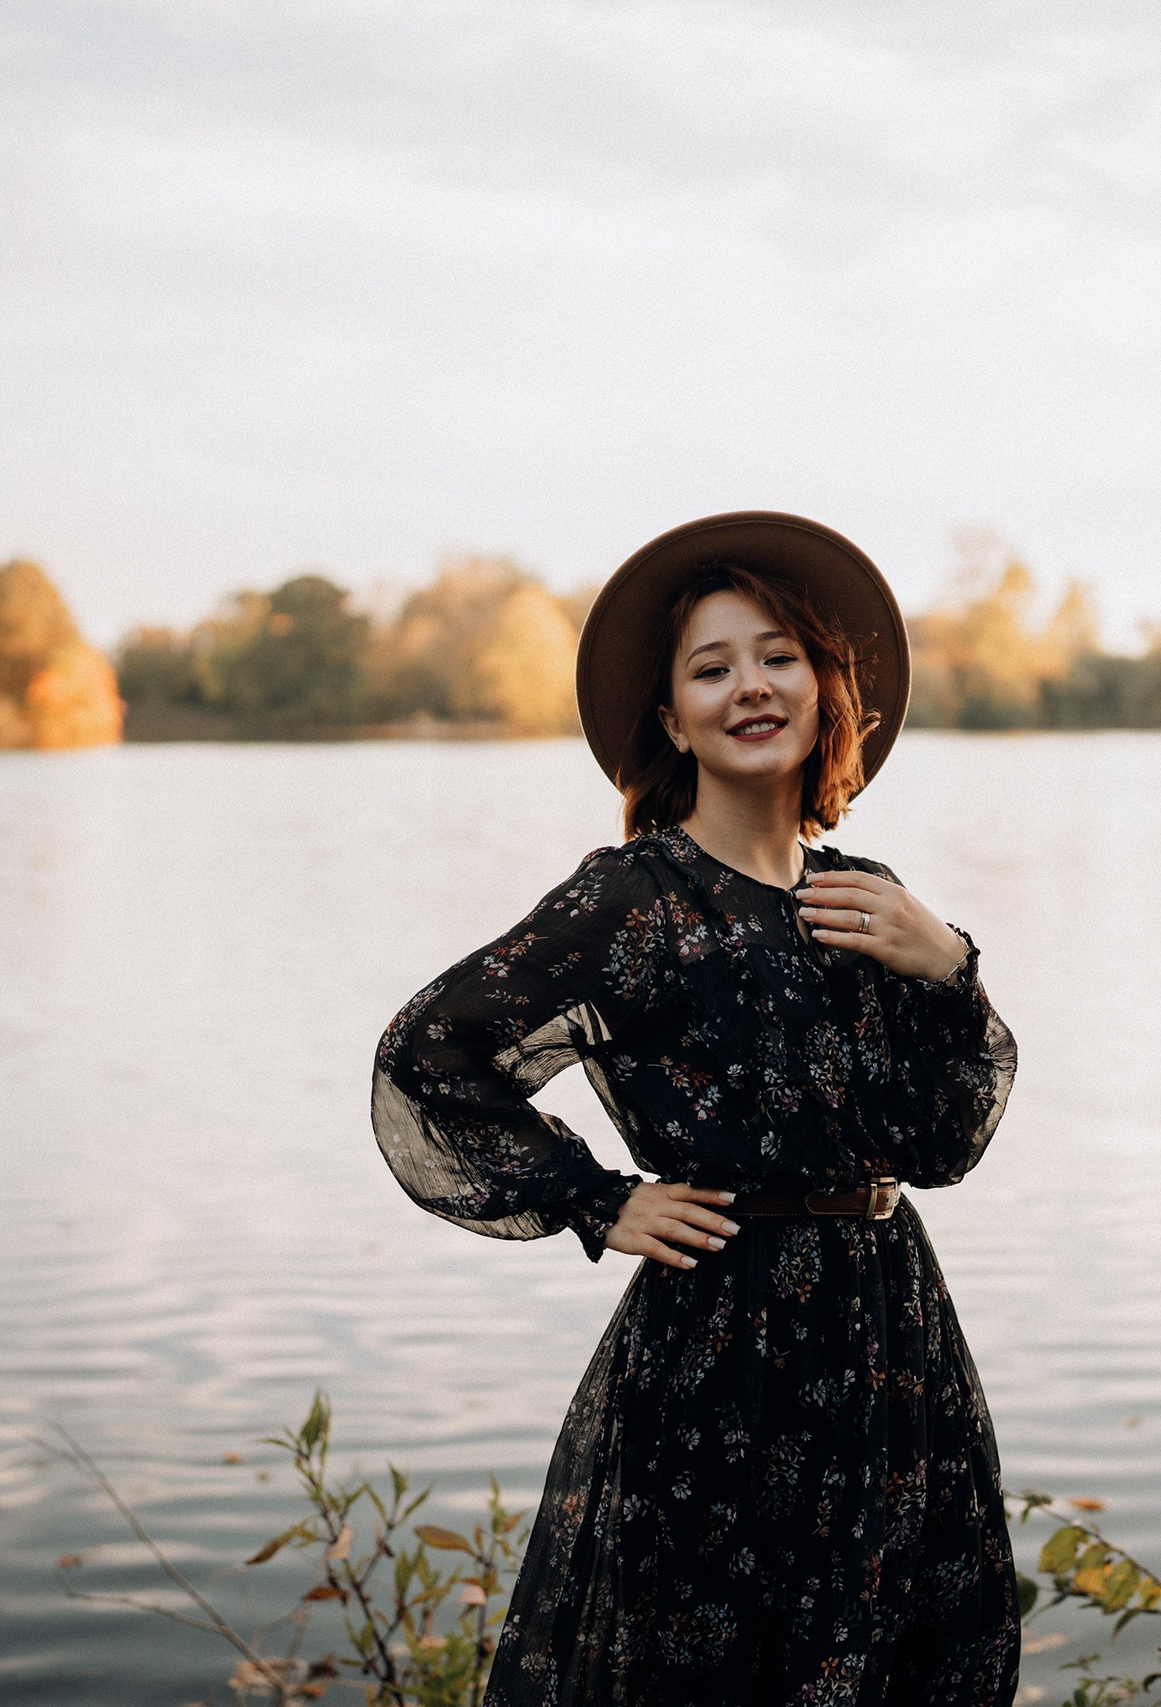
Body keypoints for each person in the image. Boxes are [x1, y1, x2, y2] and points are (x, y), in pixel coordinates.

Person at [370, 512, 1021, 1706]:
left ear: (827, 690)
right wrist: (595, 1199)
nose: (750, 687)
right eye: (711, 669)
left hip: (888, 1330)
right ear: (673, 721)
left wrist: (951, 969)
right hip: (724, 1340)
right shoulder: (635, 898)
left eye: (779, 657)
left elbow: (943, 1144)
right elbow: (430, 1053)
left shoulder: (869, 898)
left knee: (884, 1655)